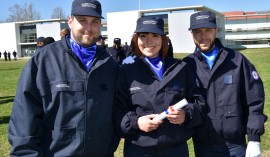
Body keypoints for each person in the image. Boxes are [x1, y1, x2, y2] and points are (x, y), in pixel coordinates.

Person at [8, 0, 121, 156]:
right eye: (82, 20)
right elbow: (24, 119)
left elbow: (118, 112)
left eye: (94, 21)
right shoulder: (44, 60)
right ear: (70, 21)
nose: (88, 27)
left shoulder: (110, 64)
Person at [113, 16, 206, 157]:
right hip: (138, 150)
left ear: (163, 39)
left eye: (155, 35)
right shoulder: (126, 70)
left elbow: (199, 103)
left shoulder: (181, 68)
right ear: (136, 39)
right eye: (143, 36)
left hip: (175, 150)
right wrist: (136, 122)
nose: (149, 41)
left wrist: (186, 115)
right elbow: (116, 110)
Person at [183, 11, 268, 157]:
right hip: (203, 145)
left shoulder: (237, 60)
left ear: (216, 30)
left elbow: (254, 99)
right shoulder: (186, 65)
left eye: (208, 30)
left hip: (235, 145)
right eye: (197, 32)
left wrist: (254, 139)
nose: (203, 36)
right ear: (191, 34)